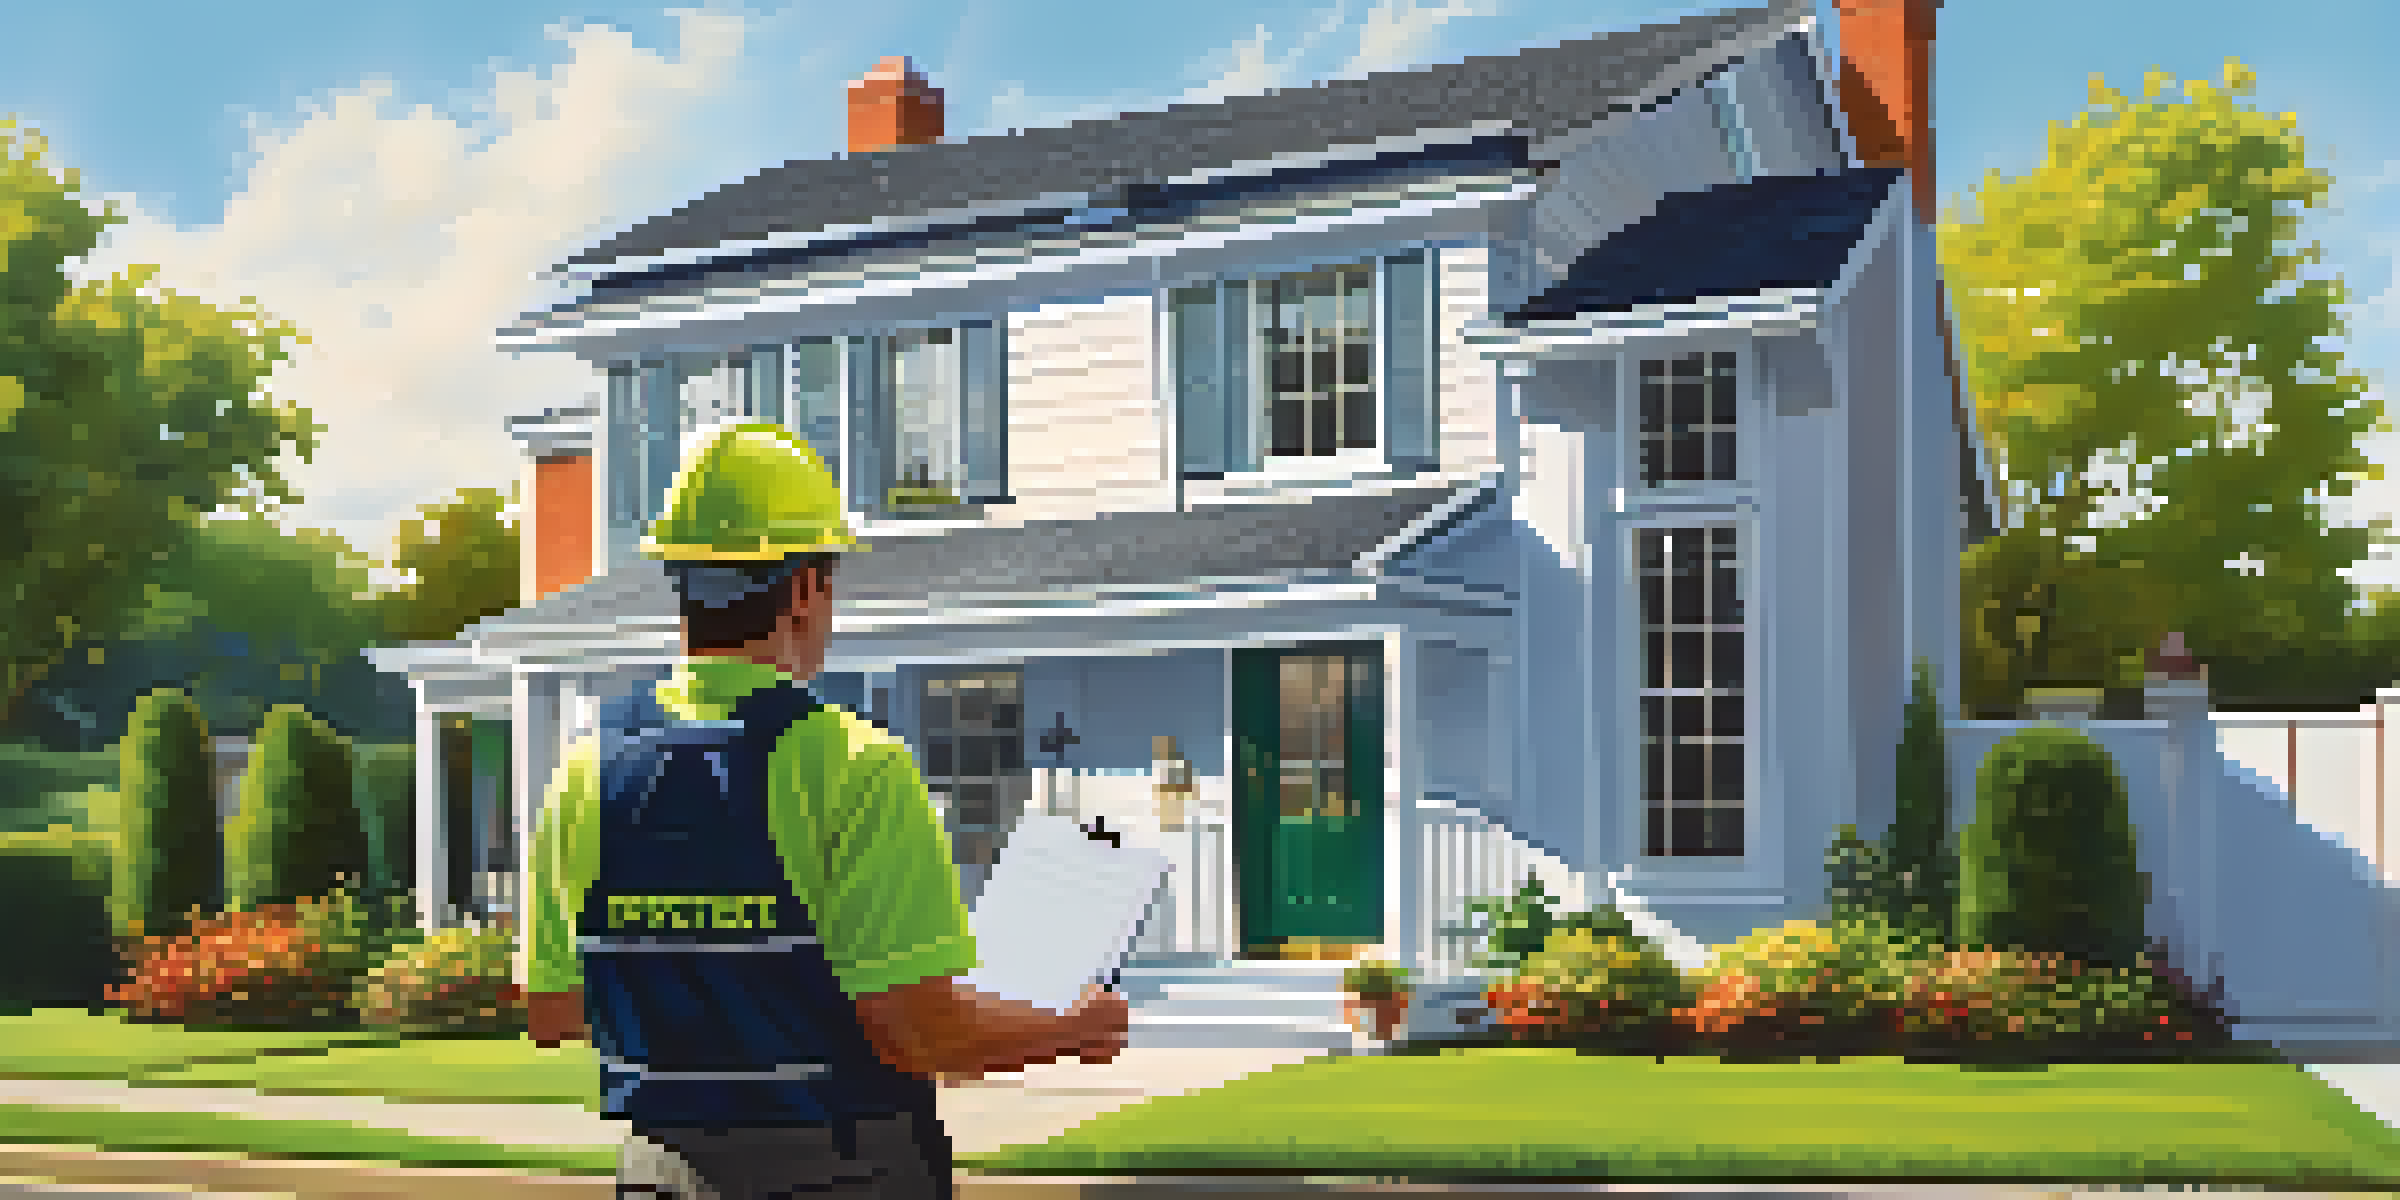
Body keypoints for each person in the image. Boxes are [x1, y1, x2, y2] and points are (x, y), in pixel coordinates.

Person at [523, 422, 1131, 1200]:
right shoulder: (855, 766)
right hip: (841, 1170)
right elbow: (918, 1031)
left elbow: (552, 1011)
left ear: (677, 579)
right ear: (808, 588)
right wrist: (1072, 1030)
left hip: (658, 1173)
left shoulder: (585, 769)